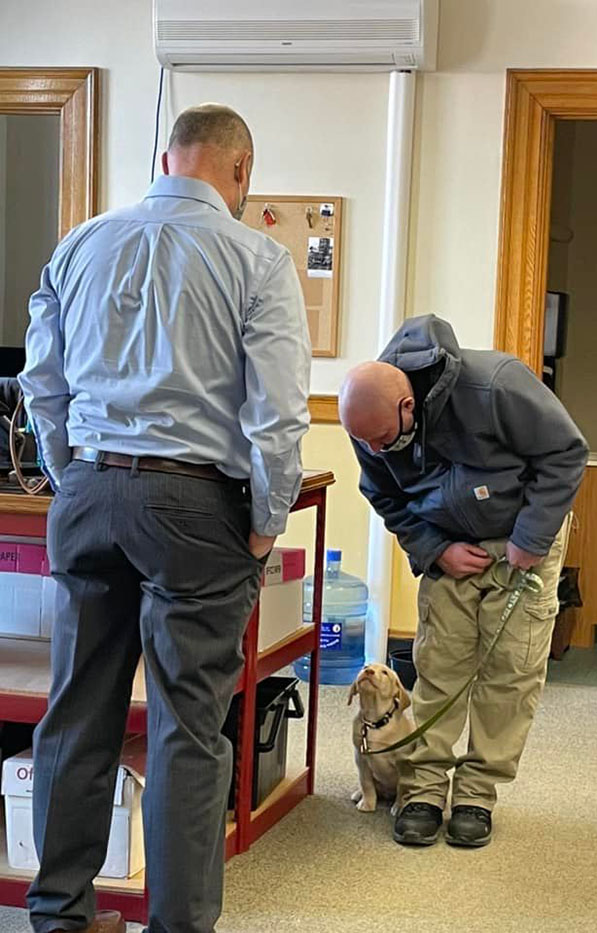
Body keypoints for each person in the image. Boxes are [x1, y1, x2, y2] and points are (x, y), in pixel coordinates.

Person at [19, 103, 311, 933]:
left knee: (77, 711)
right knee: (189, 725)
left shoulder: (80, 244)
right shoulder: (257, 260)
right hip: (195, 507)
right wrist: (266, 521)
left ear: (165, 158)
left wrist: (71, 472)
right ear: (241, 171)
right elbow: (278, 415)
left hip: (88, 495)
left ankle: (59, 917)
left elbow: (44, 384)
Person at [339, 314, 587, 848]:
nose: (378, 451)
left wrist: (531, 538)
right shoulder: (370, 428)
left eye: (384, 440)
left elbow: (566, 453)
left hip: (522, 540)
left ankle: (476, 794)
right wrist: (435, 550)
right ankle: (423, 789)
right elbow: (384, 496)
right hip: (450, 550)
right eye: (368, 444)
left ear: (407, 407)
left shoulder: (495, 384)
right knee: (440, 665)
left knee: (510, 673)